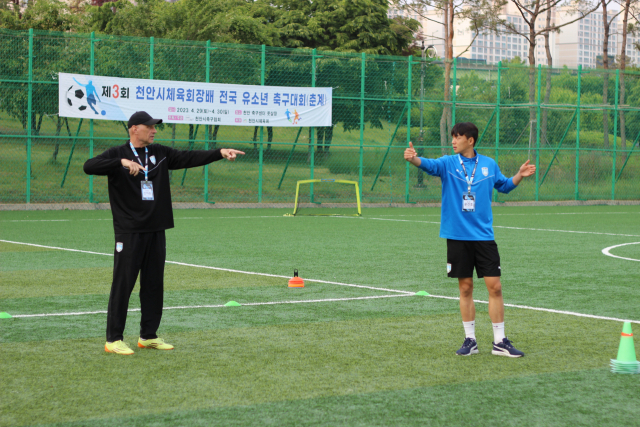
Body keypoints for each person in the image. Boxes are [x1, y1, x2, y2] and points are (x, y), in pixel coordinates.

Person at [84, 111, 245, 355]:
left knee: (153, 285)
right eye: (149, 126)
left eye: (154, 126)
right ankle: (113, 339)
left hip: (157, 229)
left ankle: (148, 335)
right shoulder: (117, 154)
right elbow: (89, 166)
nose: (154, 130)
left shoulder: (160, 153)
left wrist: (219, 152)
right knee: (123, 284)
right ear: (134, 128)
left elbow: (189, 157)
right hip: (129, 232)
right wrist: (122, 163)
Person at [404, 122, 535, 358]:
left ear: (470, 140)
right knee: (465, 288)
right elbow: (429, 166)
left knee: (495, 286)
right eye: (453, 137)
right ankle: (470, 340)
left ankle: (499, 341)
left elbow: (504, 187)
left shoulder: (488, 164)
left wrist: (519, 175)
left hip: (484, 237)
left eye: (458, 137)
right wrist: (413, 159)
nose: (453, 141)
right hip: (457, 237)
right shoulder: (447, 163)